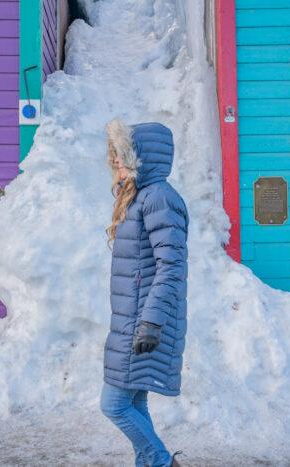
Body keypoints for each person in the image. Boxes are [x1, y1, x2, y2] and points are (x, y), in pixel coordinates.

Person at [100, 118, 189, 467]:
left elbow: (171, 266)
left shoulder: (159, 198)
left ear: (141, 158)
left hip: (143, 321)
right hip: (132, 319)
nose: (115, 163)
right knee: (134, 403)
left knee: (115, 405)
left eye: (121, 156)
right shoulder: (140, 197)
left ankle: (162, 462)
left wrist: (150, 323)